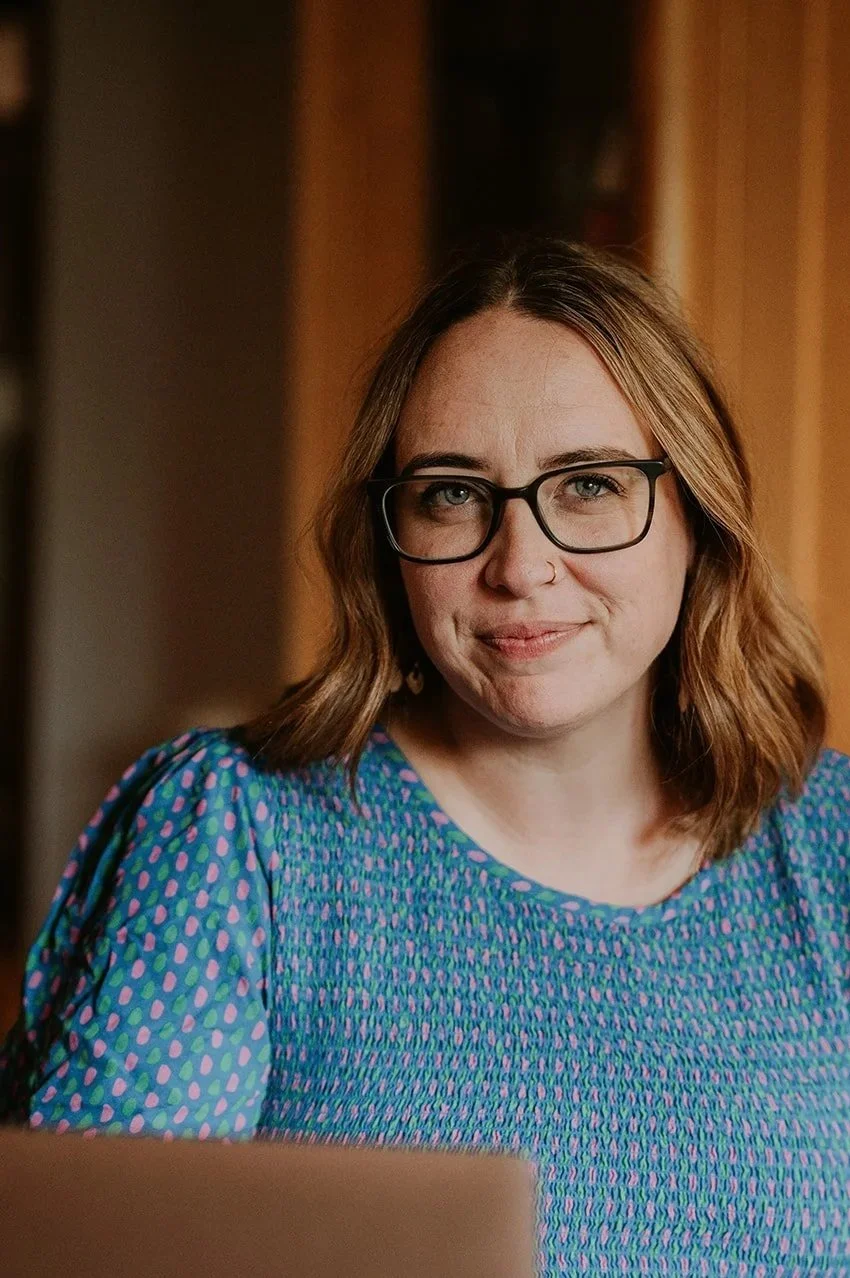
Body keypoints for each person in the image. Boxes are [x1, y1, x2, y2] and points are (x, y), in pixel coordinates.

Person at [2, 235, 849, 1273]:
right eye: (452, 493)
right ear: (387, 534)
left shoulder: (834, 850)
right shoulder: (238, 835)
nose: (520, 564)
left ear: (696, 515)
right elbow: (96, 1260)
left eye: (586, 485)